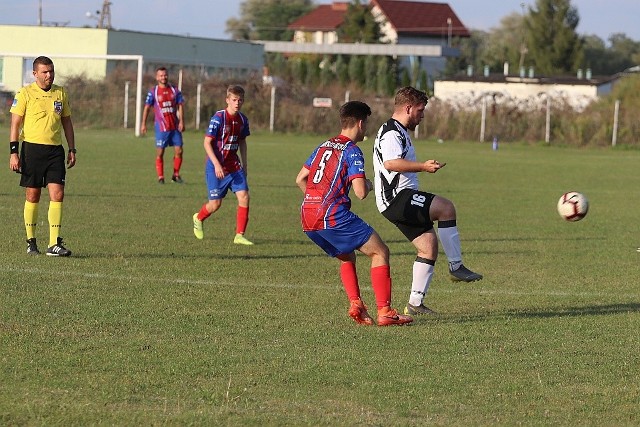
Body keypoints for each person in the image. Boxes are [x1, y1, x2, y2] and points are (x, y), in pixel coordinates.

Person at [295, 101, 413, 327]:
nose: (366, 128)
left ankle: (356, 304)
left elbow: (300, 178)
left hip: (307, 215)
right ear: (360, 123)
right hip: (331, 214)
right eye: (366, 123)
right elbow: (359, 193)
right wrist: (368, 184)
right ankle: (385, 311)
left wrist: (315, 199)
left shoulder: (323, 146)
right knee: (380, 251)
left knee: (346, 253)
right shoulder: (352, 151)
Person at [372, 86, 483, 316]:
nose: (422, 116)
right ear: (408, 108)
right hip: (397, 199)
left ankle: (415, 304)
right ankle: (456, 266)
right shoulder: (392, 132)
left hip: (397, 200)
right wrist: (423, 166)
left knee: (428, 247)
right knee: (446, 208)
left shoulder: (400, 131)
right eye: (420, 111)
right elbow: (391, 163)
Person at [9, 56, 76, 256]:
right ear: (35, 73)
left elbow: (67, 122)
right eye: (45, 72)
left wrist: (72, 148)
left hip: (55, 150)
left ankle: (54, 243)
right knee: (33, 195)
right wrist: (13, 153)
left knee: (58, 194)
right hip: (31, 150)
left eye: (51, 71)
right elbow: (15, 124)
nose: (49, 75)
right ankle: (31, 241)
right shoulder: (25, 93)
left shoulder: (60, 93)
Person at [192, 85, 254, 245]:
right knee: (215, 204)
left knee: (244, 196)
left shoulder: (242, 120)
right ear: (227, 100)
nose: (237, 103)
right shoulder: (219, 118)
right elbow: (207, 142)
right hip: (216, 167)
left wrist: (245, 165)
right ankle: (198, 218)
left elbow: (242, 142)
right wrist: (217, 164)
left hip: (234, 165)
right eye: (234, 100)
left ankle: (239, 235)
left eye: (240, 100)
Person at [140, 67, 185, 184]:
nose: (163, 77)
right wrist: (143, 124)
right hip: (161, 127)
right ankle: (160, 176)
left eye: (165, 75)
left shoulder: (175, 90)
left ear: (167, 76)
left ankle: (176, 175)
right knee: (160, 152)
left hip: (174, 126)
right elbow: (147, 108)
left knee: (179, 150)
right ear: (157, 77)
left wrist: (181, 121)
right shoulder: (153, 92)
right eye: (161, 75)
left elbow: (180, 106)